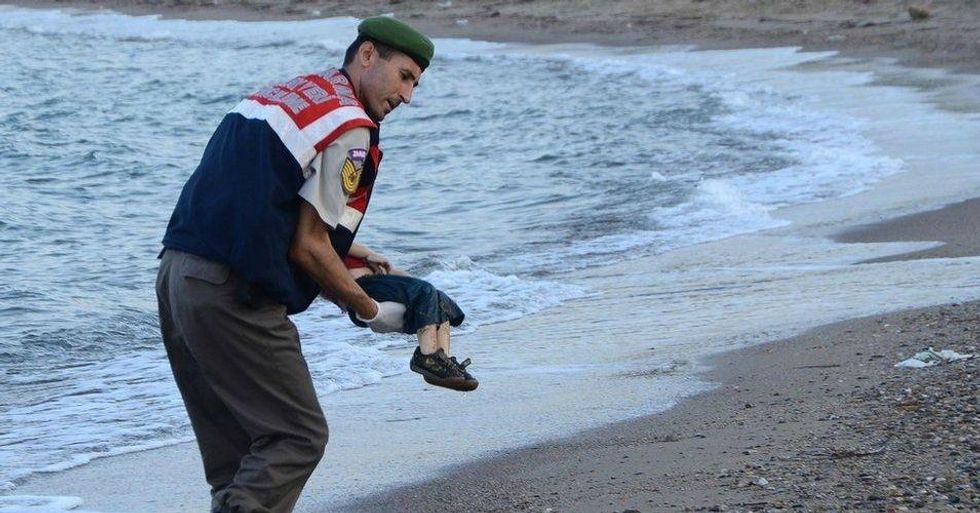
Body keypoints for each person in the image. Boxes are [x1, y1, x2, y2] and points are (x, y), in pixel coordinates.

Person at [155, 17, 434, 513]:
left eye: (415, 82)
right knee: (297, 437)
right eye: (406, 76)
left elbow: (260, 199)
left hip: (178, 276)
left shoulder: (289, 93)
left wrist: (349, 251)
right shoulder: (350, 126)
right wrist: (370, 310)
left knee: (238, 461)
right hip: (232, 294)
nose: (408, 95)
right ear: (367, 55)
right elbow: (307, 247)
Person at [343, 241, 478, 391]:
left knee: (438, 297)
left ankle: (442, 363)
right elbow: (339, 239)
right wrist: (369, 254)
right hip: (361, 286)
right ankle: (427, 358)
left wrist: (393, 270)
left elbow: (411, 283)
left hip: (381, 284)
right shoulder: (333, 242)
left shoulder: (367, 259)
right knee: (425, 290)